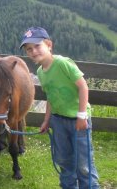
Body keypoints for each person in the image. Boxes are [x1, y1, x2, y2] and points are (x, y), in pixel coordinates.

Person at [20, 27, 100, 189]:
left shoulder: (63, 63)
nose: (34, 51)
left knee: (83, 163)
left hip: (78, 120)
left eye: (37, 46)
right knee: (63, 160)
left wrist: (81, 116)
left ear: (49, 45)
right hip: (58, 121)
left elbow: (83, 87)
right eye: (29, 49)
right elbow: (51, 97)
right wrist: (46, 120)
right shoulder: (41, 72)